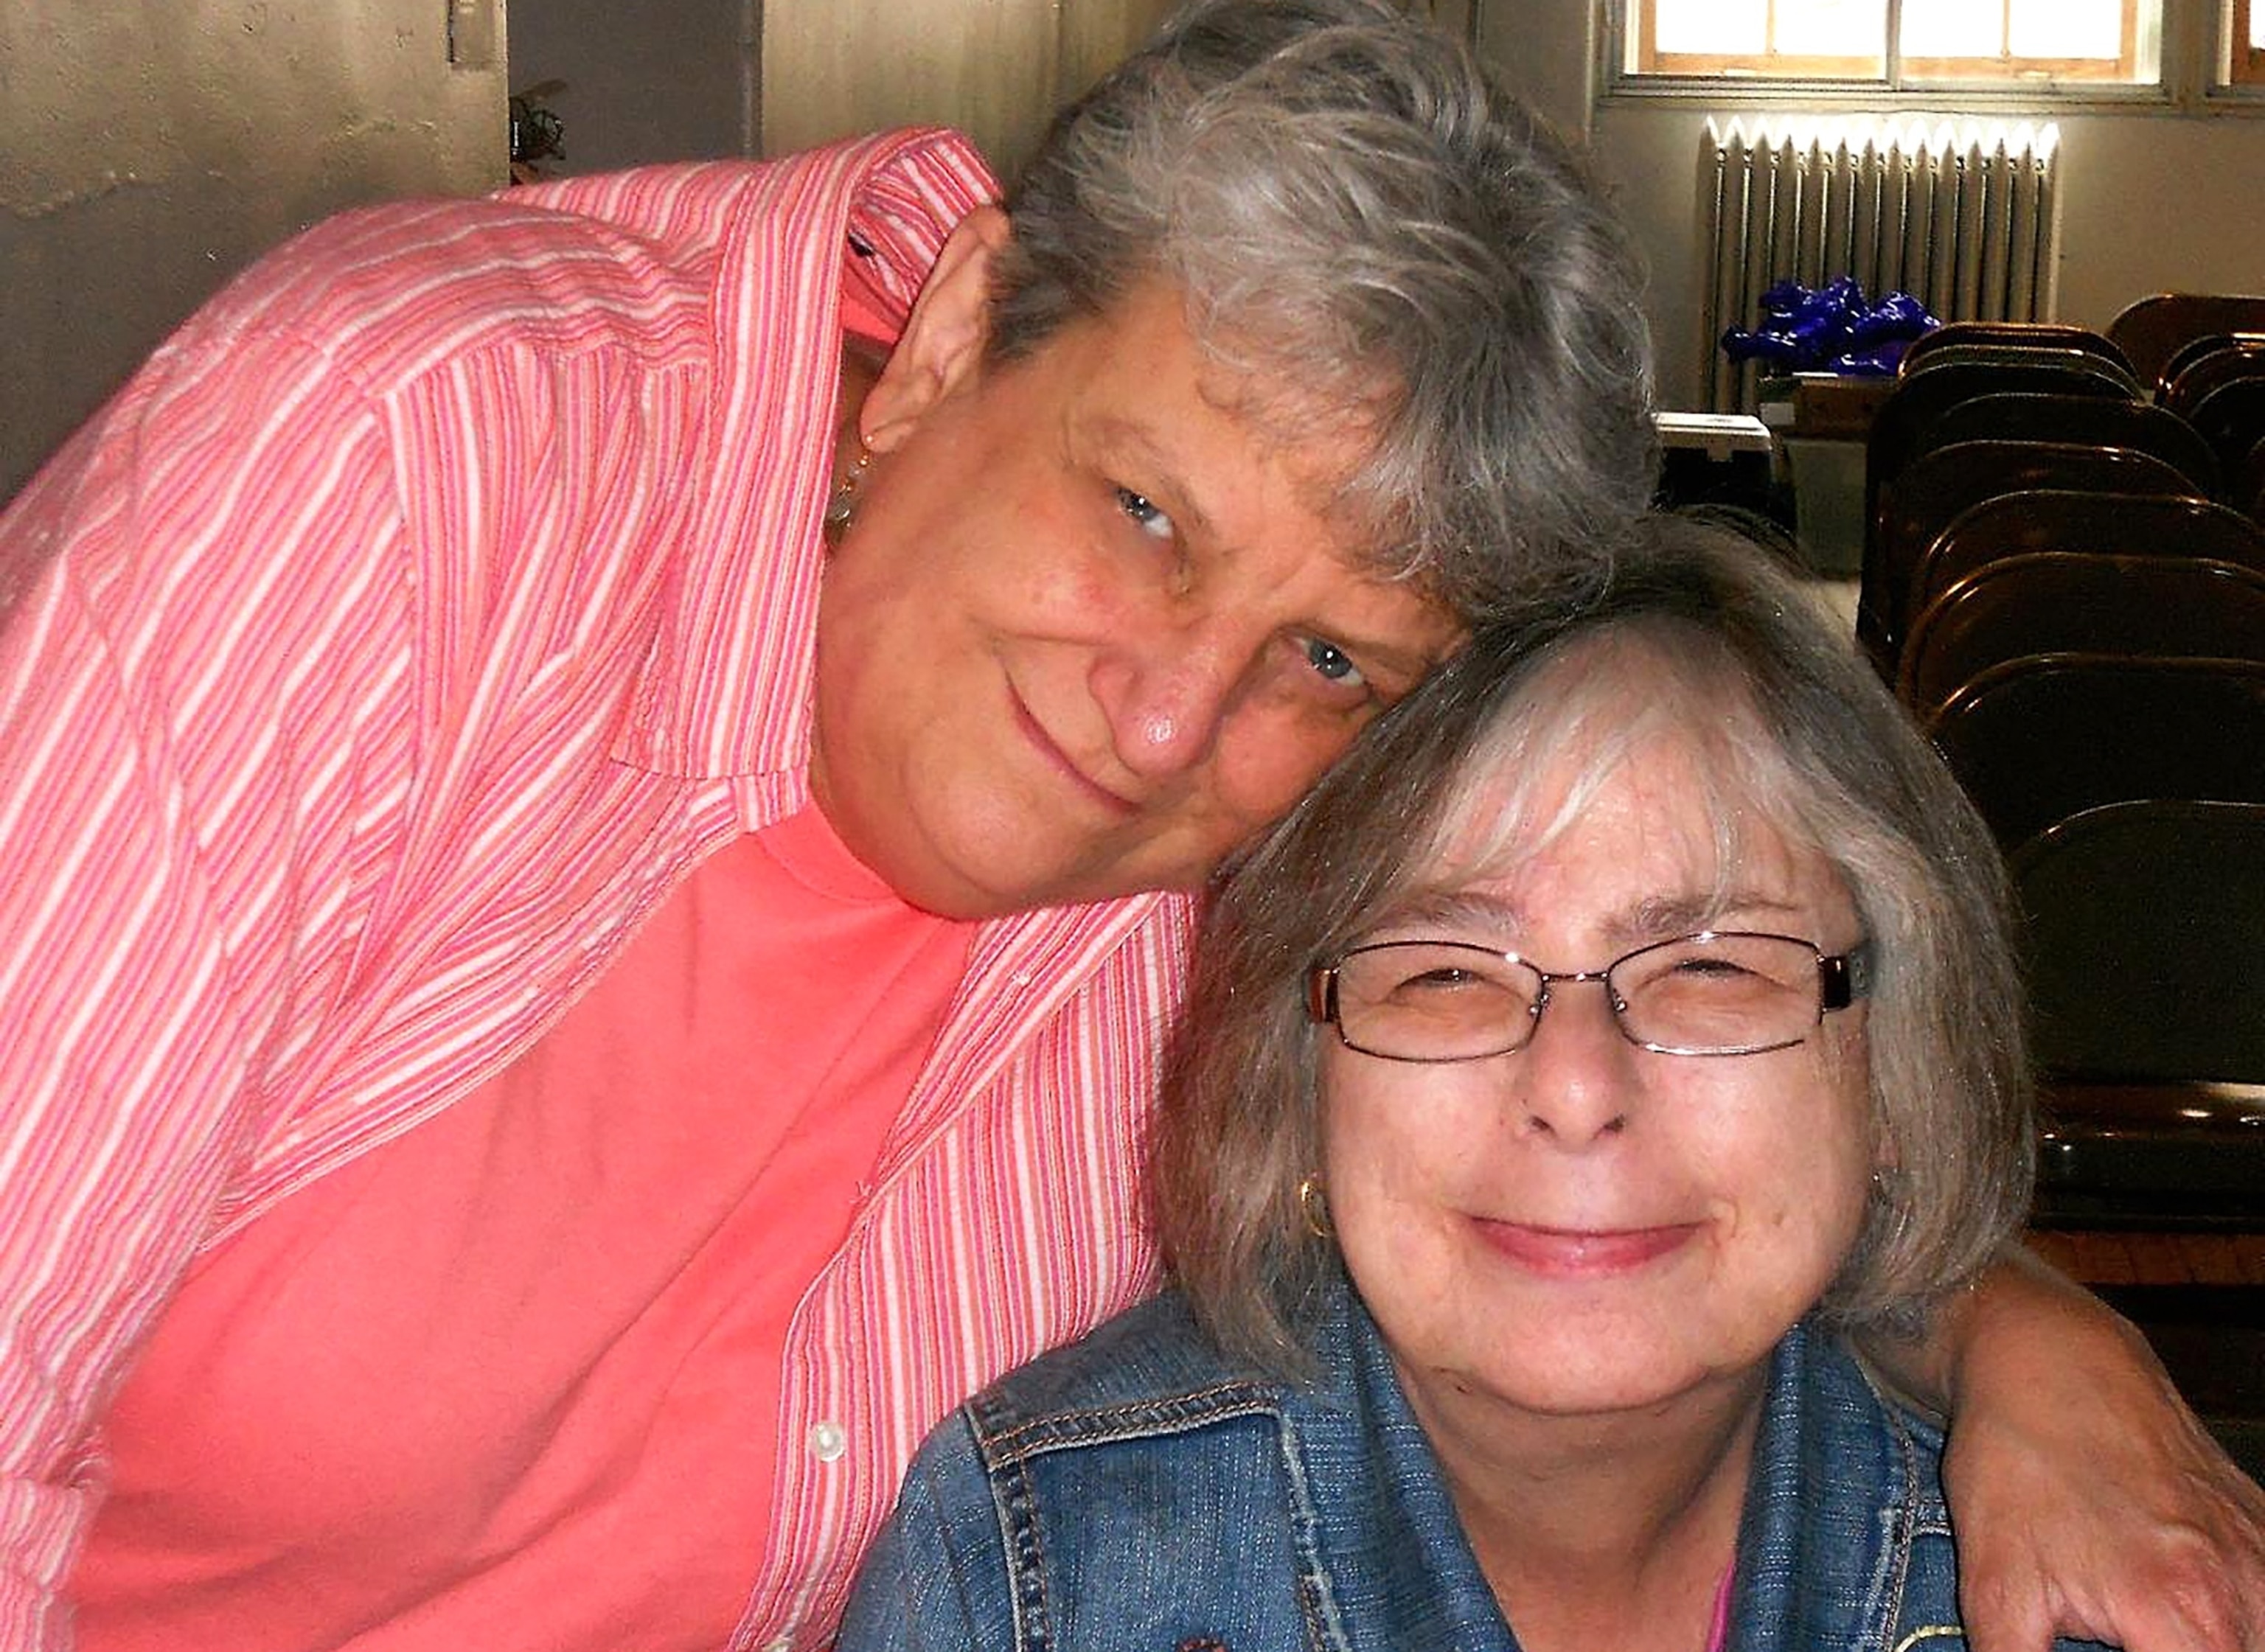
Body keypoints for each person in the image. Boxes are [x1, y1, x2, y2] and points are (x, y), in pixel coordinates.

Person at [0, 1, 2255, 1647]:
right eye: (1148, 510)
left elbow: (1666, 1053)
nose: (1173, 712)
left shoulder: (1274, 891)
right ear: (970, 324)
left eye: (1333, 657)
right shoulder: (414, 463)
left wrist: (2029, 1338)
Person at [834, 518, 2237, 1651]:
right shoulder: (1035, 1572)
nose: (1575, 1088)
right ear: (1297, 1081)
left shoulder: (2091, 1591)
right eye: (1443, 971)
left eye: (1711, 967)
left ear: (1890, 1072)